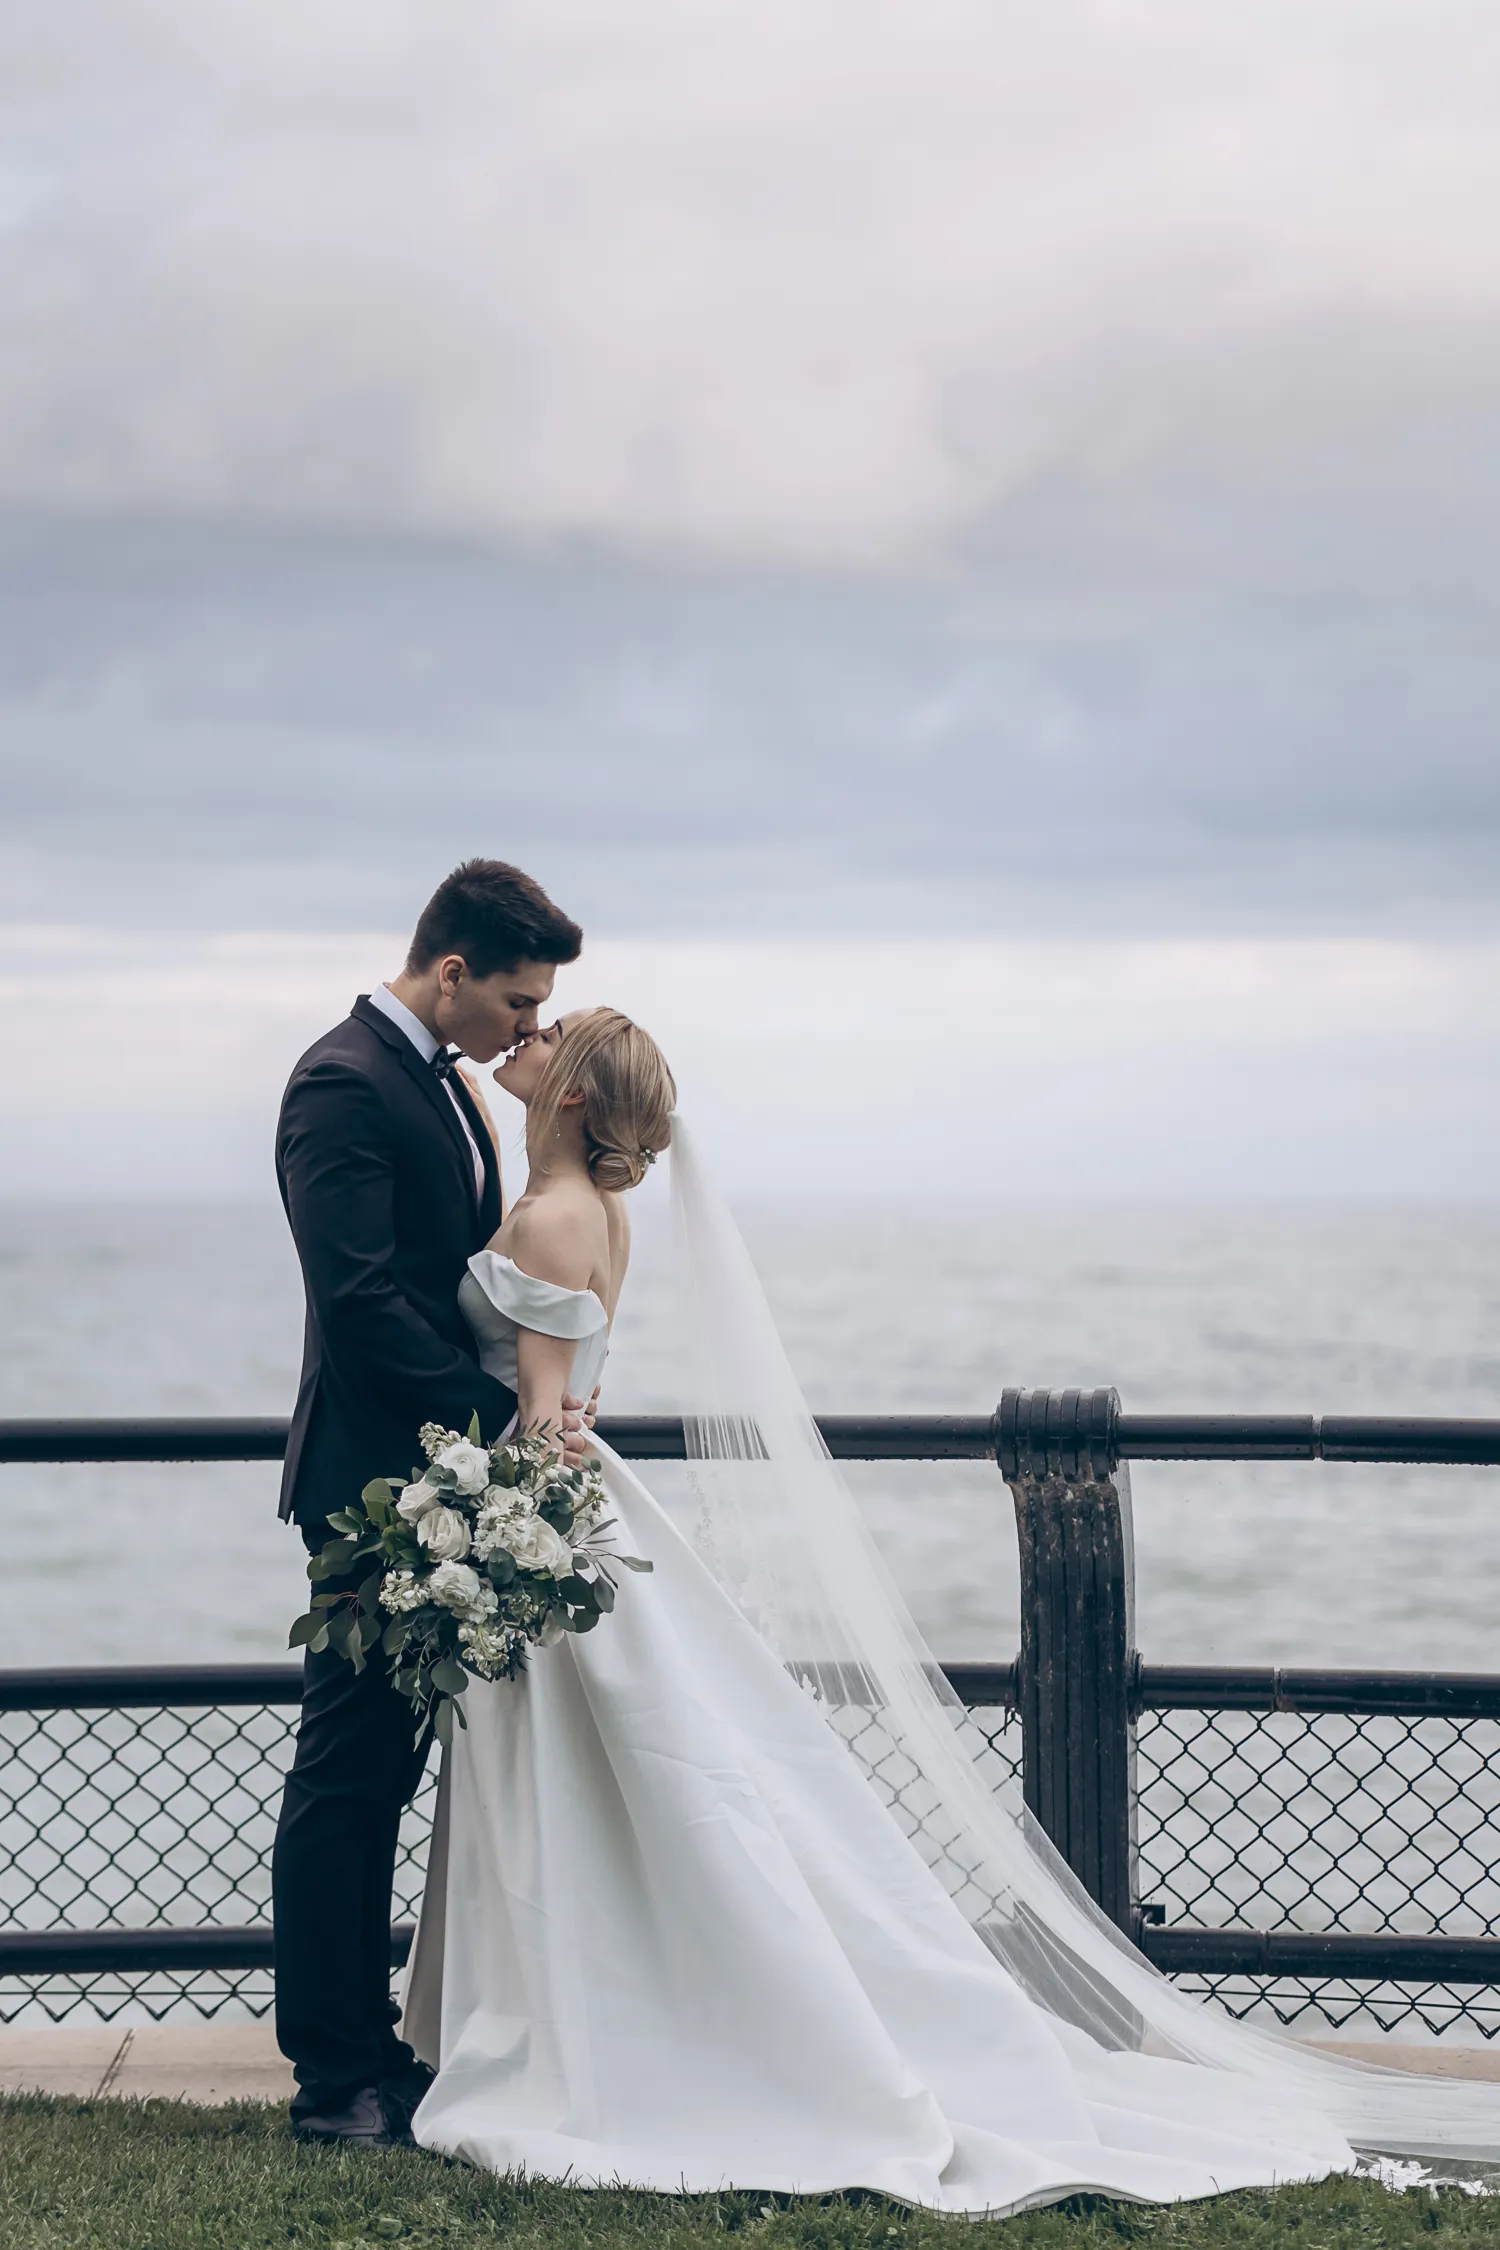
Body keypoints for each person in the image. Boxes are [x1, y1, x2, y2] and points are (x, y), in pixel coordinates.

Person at [400, 1006, 1500, 2211]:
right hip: (577, 1516)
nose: (529, 1032)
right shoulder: (591, 1209)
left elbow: (551, 1422)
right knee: (647, 1794)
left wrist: (483, 1518)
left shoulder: (557, 1217)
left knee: (596, 1795)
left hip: (548, 1517)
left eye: (549, 1031)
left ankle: (602, 2032)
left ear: (566, 1095)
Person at [271, 858, 584, 2147]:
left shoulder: (449, 1087)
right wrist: (500, 1416)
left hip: (435, 1479)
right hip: (369, 1492)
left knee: (387, 1775)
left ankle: (379, 2046)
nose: (528, 1028)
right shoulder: (342, 1082)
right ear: (449, 971)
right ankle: (333, 2072)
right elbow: (358, 1303)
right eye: (515, 1002)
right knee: (346, 1778)